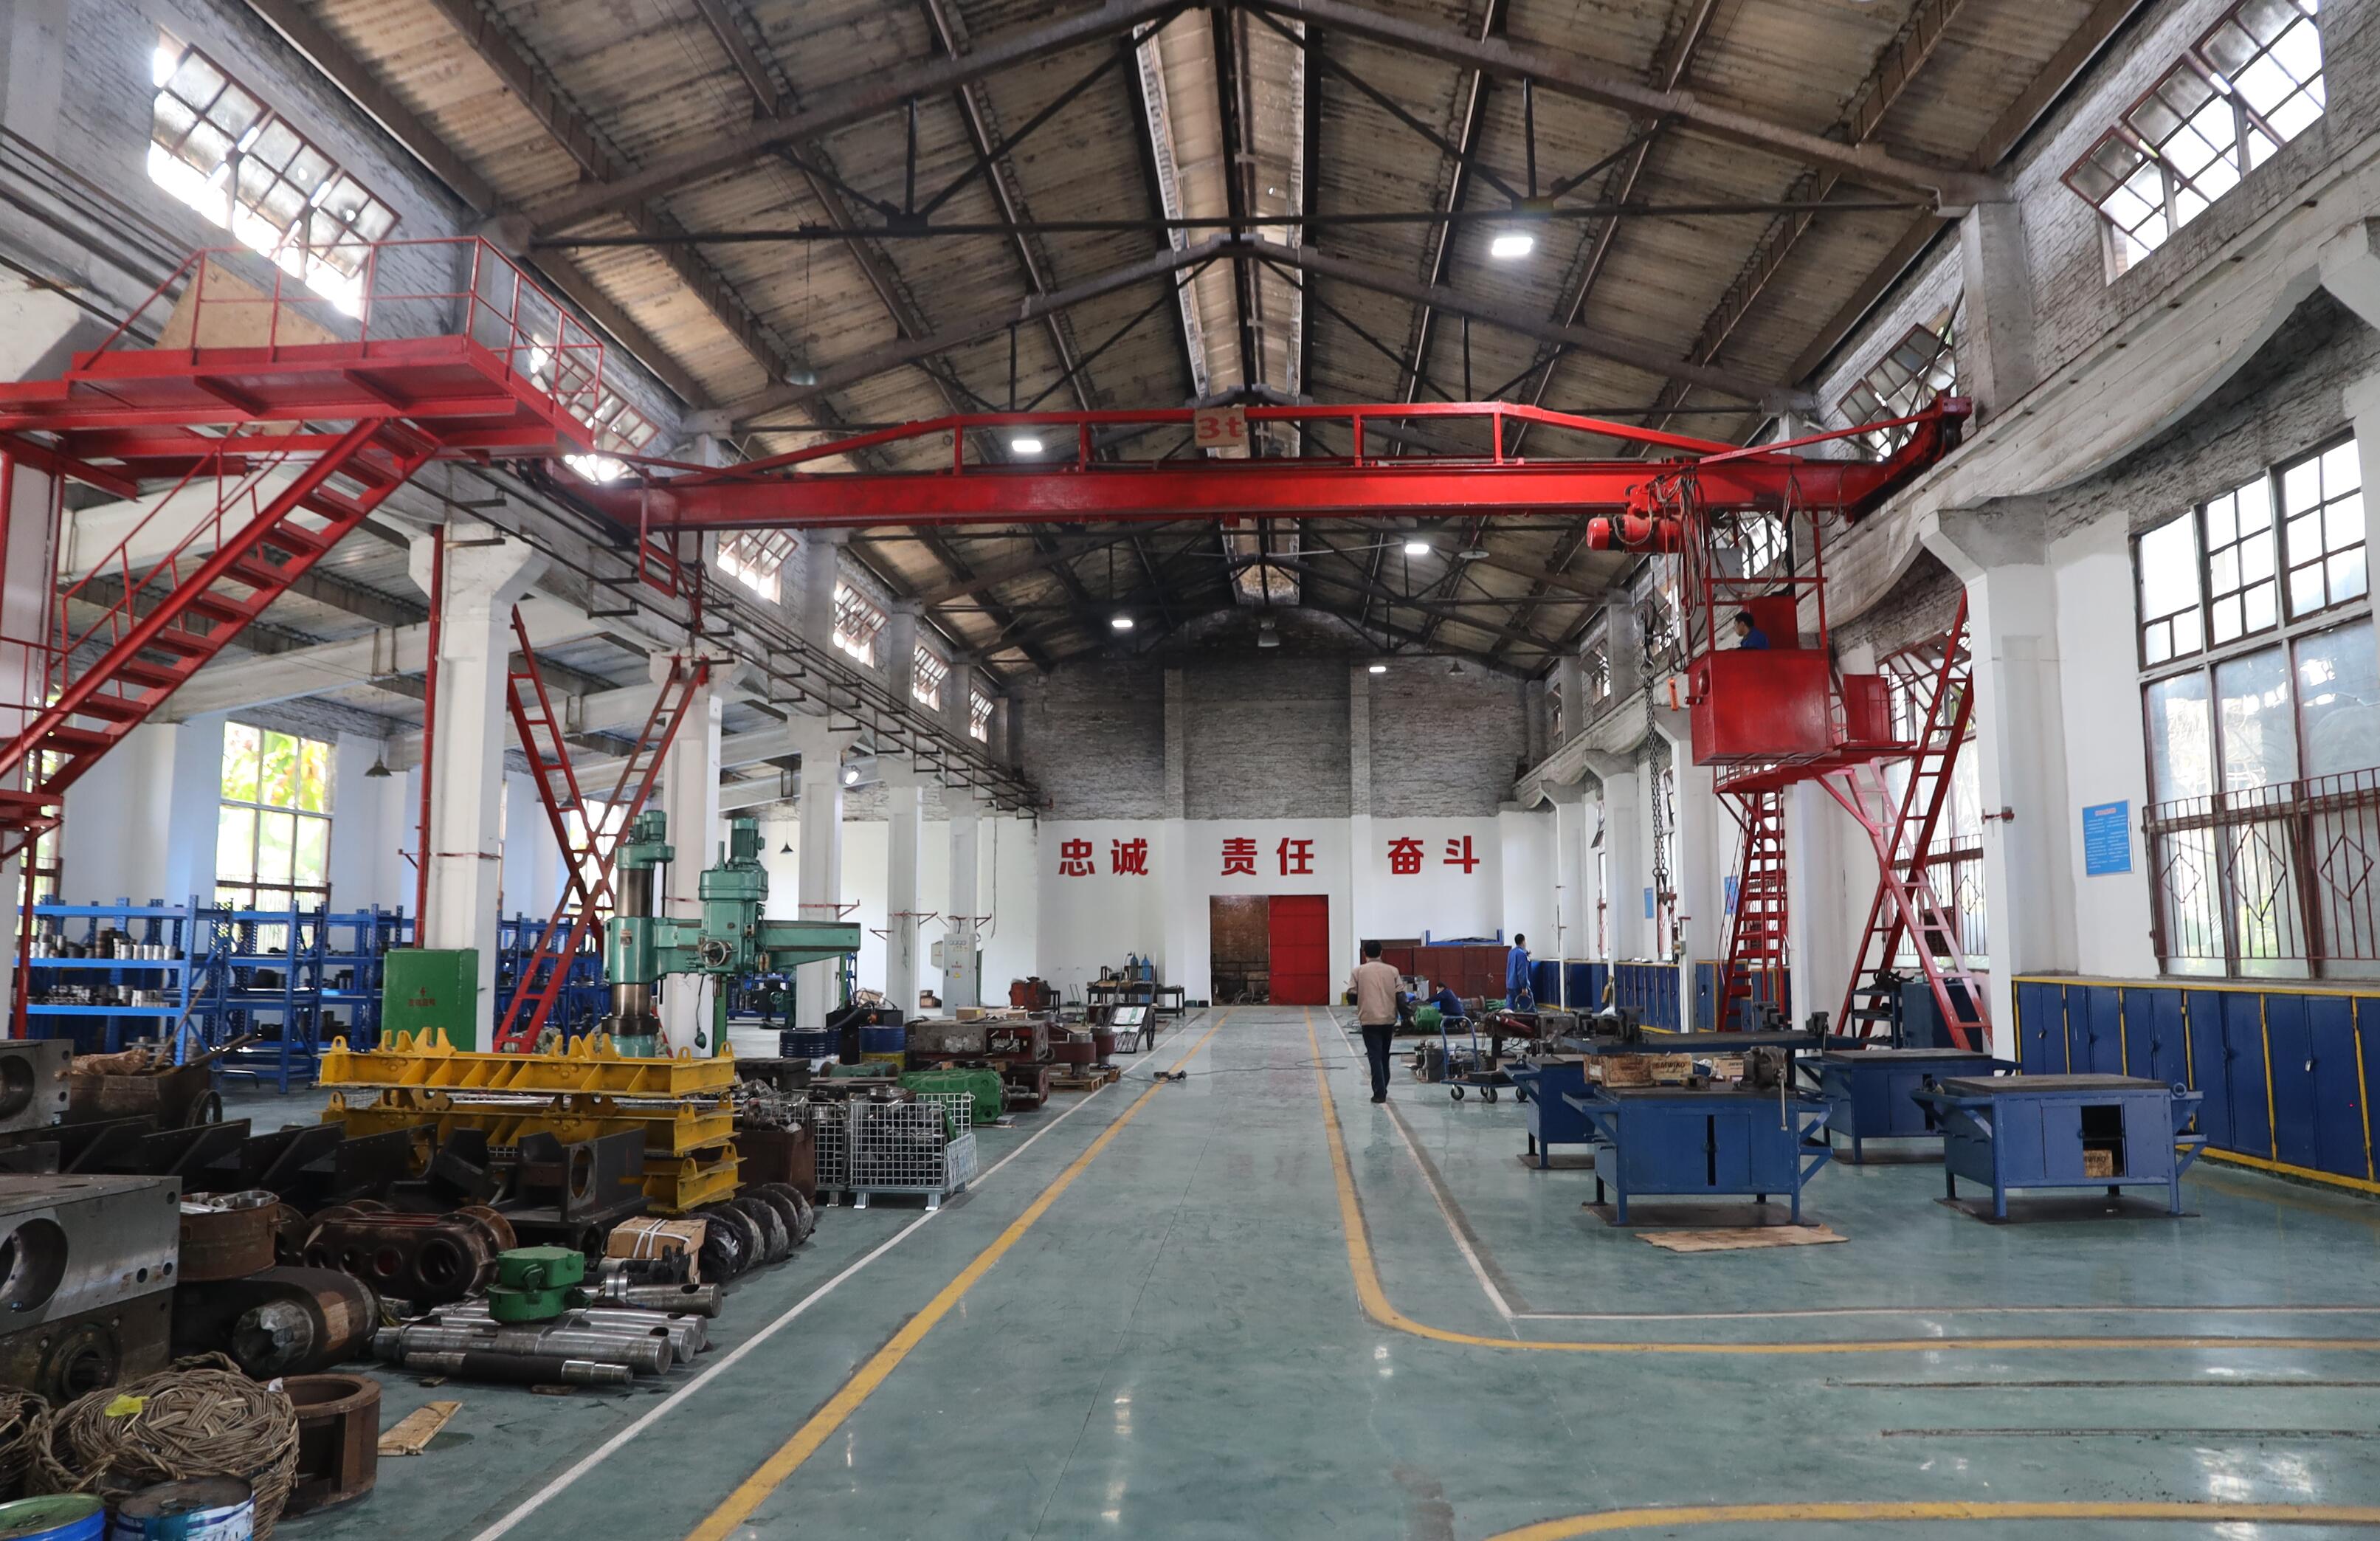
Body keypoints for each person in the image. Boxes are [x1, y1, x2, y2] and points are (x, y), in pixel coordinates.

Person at [1350, 940, 1404, 1104]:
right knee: (1384, 1055)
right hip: (1389, 1019)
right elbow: (1401, 997)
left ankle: (1379, 1093)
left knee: (1374, 1056)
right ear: (1381, 952)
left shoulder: (1358, 972)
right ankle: (1383, 1087)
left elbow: (1351, 997)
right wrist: (1408, 1018)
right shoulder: (1393, 971)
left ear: (1364, 953)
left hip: (1369, 1019)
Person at [1505, 933, 1535, 1011]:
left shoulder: (1511, 952)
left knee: (1509, 1010)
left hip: (1510, 985)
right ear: (1523, 941)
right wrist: (1524, 987)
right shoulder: (1522, 954)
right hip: (1519, 986)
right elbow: (1522, 972)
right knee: (1529, 1009)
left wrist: (1526, 954)